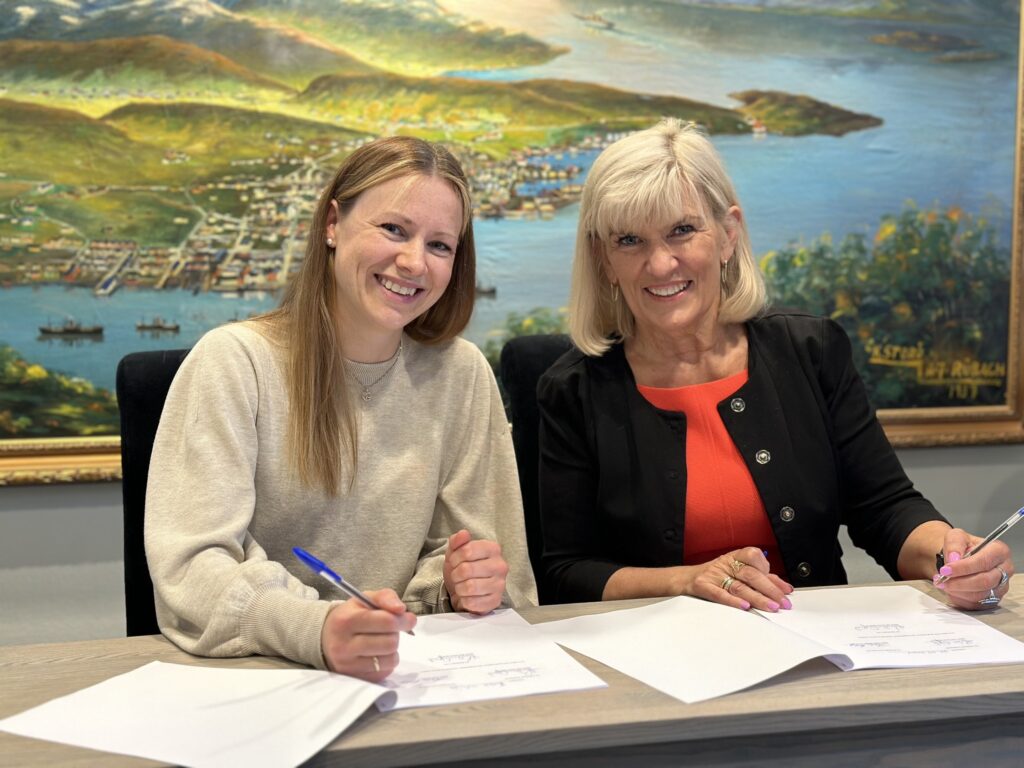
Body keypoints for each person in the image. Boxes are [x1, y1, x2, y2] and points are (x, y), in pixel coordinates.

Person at [537, 118, 1014, 613]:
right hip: (655, 660)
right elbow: (566, 572)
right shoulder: (572, 390)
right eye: (629, 241)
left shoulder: (811, 351)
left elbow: (884, 507)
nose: (660, 265)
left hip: (814, 649)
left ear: (727, 235)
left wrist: (953, 553)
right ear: (603, 259)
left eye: (682, 231)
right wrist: (686, 581)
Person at [146, 136, 537, 682]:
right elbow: (192, 569)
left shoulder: (462, 373)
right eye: (394, 229)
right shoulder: (234, 363)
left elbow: (497, 569)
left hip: (413, 678)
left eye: (440, 245)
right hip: (263, 682)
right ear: (333, 224)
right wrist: (317, 629)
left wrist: (460, 582)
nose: (413, 262)